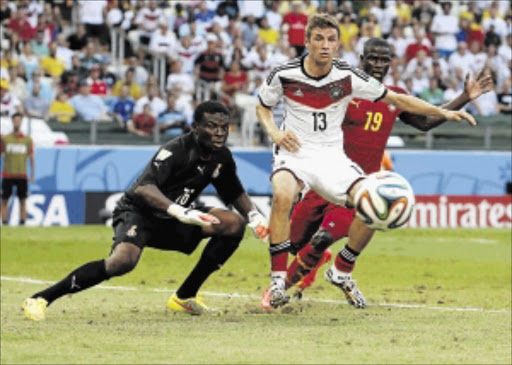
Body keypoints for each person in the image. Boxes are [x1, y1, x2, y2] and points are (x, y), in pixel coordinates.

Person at [256, 13, 477, 310]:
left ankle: (322, 276)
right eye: (318, 38)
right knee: (292, 230)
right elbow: (270, 106)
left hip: (339, 169)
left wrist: (453, 106)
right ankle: (282, 278)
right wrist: (276, 132)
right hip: (304, 164)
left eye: (331, 40)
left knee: (346, 223)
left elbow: (415, 114)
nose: (377, 63)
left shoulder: (369, 87)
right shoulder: (310, 79)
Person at [22, 101, 269, 321]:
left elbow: (235, 192)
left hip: (176, 218)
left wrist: (255, 216)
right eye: (212, 126)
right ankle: (41, 298)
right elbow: (145, 187)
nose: (219, 132)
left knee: (233, 223)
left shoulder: (221, 157)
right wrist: (179, 211)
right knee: (122, 262)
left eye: (224, 127)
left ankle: (184, 297)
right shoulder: (175, 151)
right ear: (195, 127)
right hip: (139, 213)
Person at [1, 113, 34, 226]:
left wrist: (32, 175)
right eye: (15, 120)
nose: (17, 122)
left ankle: (22, 223)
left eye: (19, 120)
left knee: (23, 200)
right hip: (8, 174)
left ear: (21, 122)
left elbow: (31, 157)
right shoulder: (5, 139)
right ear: (12, 122)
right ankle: (4, 223)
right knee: (5, 200)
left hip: (22, 174)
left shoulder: (27, 139)